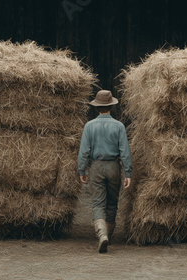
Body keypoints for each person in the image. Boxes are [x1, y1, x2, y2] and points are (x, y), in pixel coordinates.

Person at [78, 90, 133, 253]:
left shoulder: (89, 126)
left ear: (96, 108)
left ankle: (102, 234)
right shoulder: (119, 126)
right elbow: (125, 151)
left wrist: (82, 169)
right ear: (111, 107)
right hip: (114, 167)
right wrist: (128, 172)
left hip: (96, 167)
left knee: (97, 203)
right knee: (112, 202)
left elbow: (84, 151)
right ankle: (108, 233)